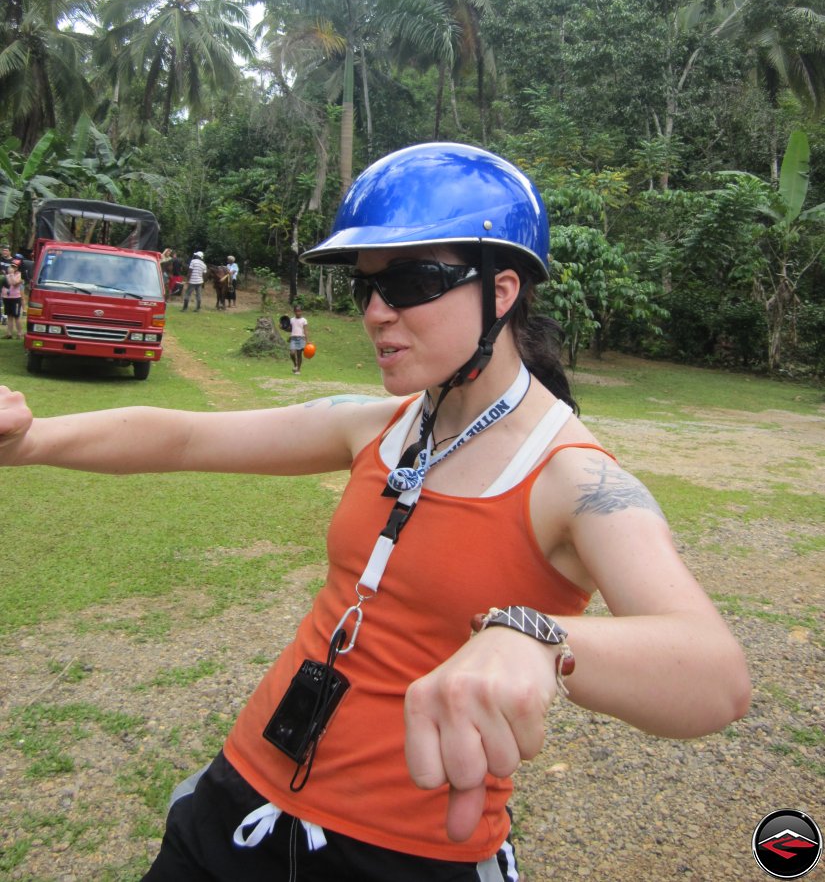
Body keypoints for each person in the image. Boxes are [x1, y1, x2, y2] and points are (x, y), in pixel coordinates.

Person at [0, 143, 750, 882]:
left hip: (406, 854)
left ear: (502, 291)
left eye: (410, 282)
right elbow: (188, 433)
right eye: (365, 289)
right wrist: (31, 441)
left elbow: (714, 678)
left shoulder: (571, 477)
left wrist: (534, 638)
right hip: (240, 799)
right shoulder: (386, 424)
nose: (376, 313)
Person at [2, 258, 24, 338]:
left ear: (17, 268)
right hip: (7, 298)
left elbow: (15, 283)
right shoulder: (6, 276)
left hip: (15, 299)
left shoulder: (19, 275)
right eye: (11, 266)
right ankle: (9, 334)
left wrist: (11, 274)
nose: (12, 268)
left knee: (16, 316)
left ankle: (19, 333)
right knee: (9, 316)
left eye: (14, 267)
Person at [288, 304, 308, 374]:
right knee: (292, 353)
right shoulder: (291, 320)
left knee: (299, 355)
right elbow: (290, 329)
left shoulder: (304, 320)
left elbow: (305, 331)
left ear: (301, 311)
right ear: (294, 312)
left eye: (299, 311)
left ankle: (298, 370)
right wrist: (282, 327)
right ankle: (295, 364)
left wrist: (307, 340)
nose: (298, 313)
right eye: (296, 311)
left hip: (301, 338)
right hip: (293, 338)